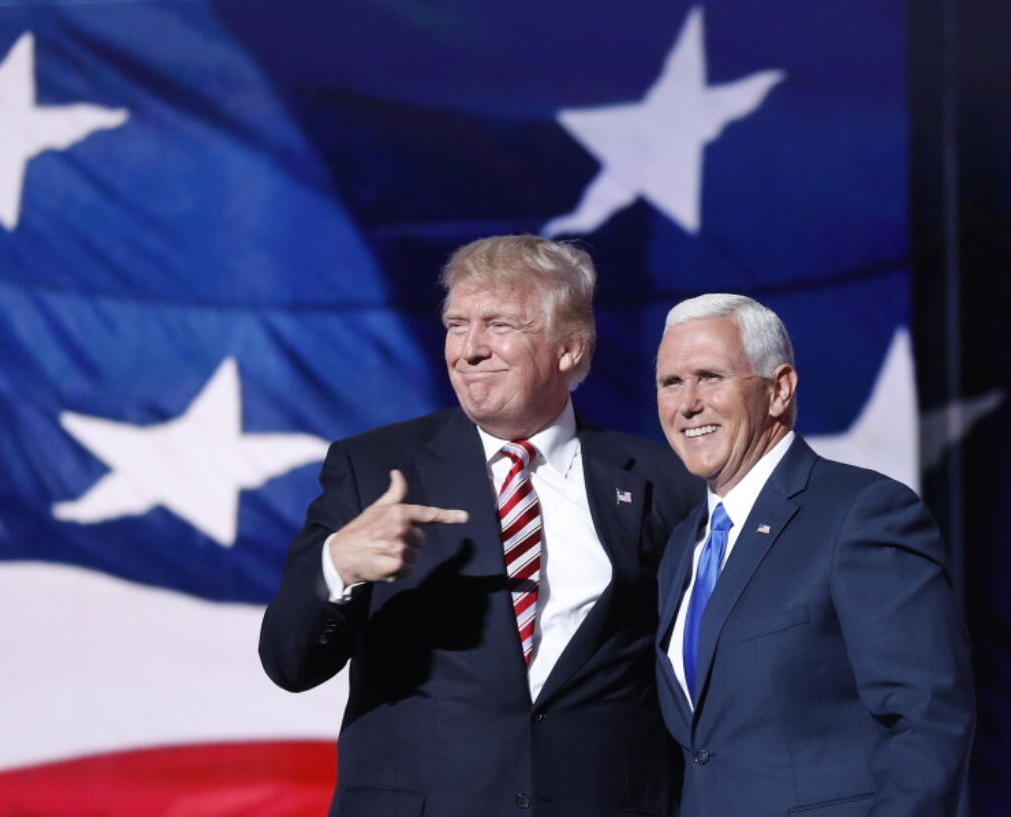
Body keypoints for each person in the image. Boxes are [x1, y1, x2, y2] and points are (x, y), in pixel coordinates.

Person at [260, 235, 702, 817]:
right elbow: (289, 664)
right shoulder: (373, 468)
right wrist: (337, 565)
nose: (469, 349)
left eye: (499, 325)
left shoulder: (663, 481)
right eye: (456, 324)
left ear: (569, 349)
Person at [652, 293, 974, 817]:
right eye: (671, 382)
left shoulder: (862, 512)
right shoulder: (683, 544)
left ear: (779, 390)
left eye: (710, 377)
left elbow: (926, 715)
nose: (687, 403)